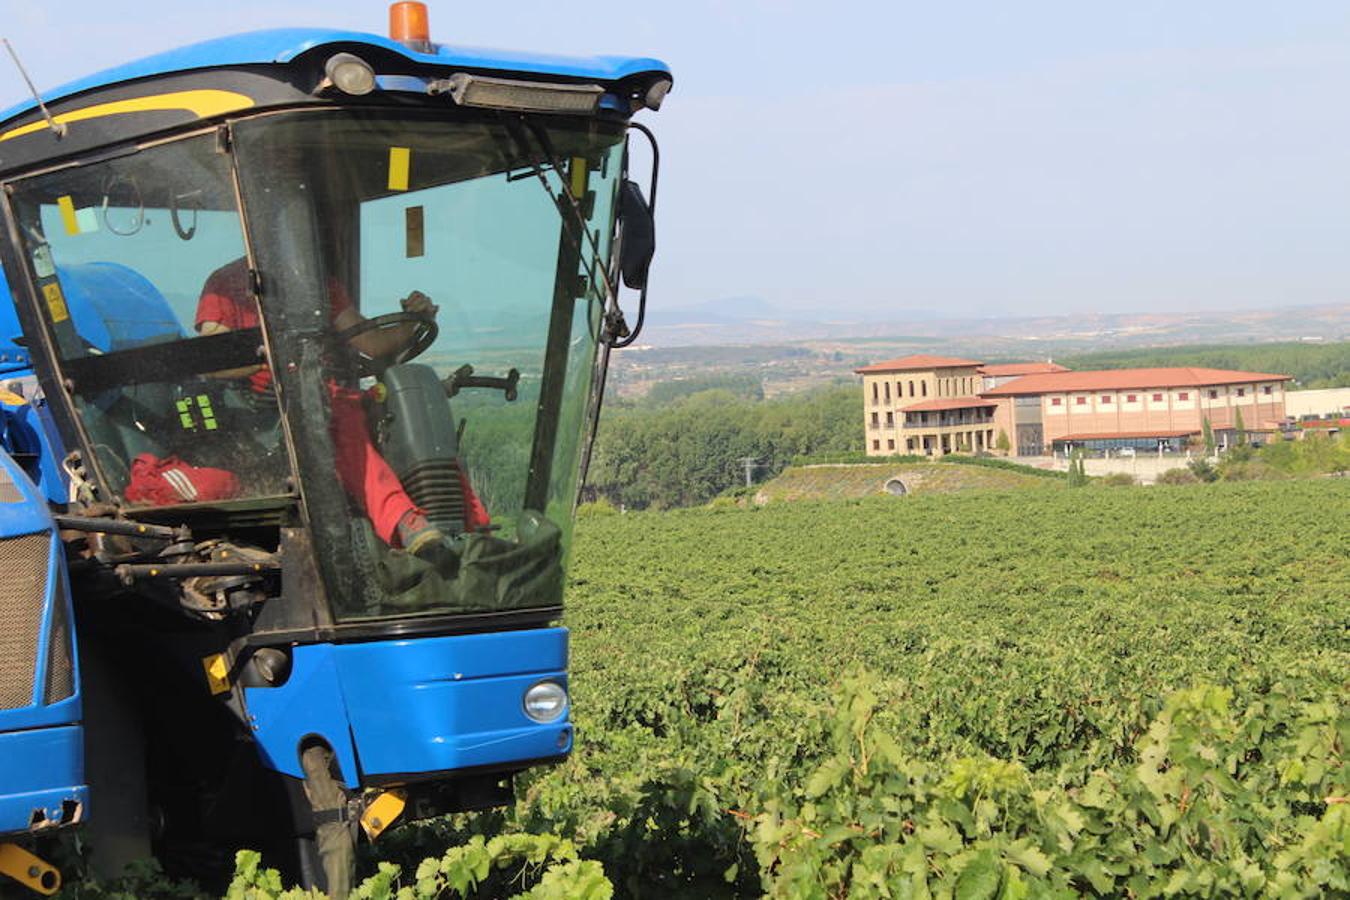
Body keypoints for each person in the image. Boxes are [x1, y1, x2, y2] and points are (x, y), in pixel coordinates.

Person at [195, 257, 452, 557]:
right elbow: (210, 359)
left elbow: (371, 342)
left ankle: (459, 524)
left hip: (323, 394)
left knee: (405, 410)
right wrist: (270, 354)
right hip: (262, 409)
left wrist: (412, 322)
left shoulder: (317, 283)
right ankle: (402, 519)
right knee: (338, 415)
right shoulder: (225, 284)